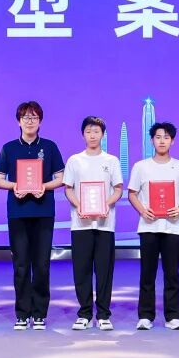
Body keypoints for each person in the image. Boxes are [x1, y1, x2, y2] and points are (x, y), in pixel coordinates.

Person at [0, 101, 66, 330]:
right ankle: (22, 313)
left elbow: (61, 178)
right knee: (21, 264)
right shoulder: (8, 148)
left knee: (42, 264)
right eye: (25, 117)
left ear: (40, 121)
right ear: (18, 121)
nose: (29, 121)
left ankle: (39, 313)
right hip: (18, 213)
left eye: (34, 117)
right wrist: (14, 185)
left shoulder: (50, 147)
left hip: (43, 212)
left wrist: (44, 186)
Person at [128, 122, 179, 330]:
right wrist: (142, 210)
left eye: (166, 137)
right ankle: (145, 316)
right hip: (148, 226)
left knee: (172, 273)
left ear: (172, 141)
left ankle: (172, 316)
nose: (162, 141)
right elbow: (132, 193)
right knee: (147, 273)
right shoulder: (141, 166)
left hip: (172, 227)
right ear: (152, 141)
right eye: (158, 137)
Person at [62, 116, 123, 330]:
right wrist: (80, 205)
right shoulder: (74, 160)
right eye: (88, 131)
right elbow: (68, 188)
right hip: (81, 223)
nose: (92, 135)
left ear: (102, 135)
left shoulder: (111, 160)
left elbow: (118, 189)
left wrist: (106, 204)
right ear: (83, 135)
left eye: (96, 131)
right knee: (82, 269)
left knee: (104, 270)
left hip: (105, 223)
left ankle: (104, 314)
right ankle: (85, 314)